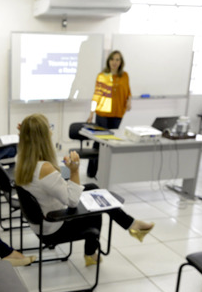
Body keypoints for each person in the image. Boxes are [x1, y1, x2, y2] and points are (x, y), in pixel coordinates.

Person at [14, 113, 154, 266]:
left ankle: (132, 224)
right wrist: (74, 171)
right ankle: (91, 253)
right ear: (43, 137)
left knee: (93, 188)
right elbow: (72, 201)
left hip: (40, 222)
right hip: (53, 226)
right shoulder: (44, 168)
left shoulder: (21, 158)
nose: (51, 132)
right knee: (96, 210)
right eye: (49, 129)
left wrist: (25, 132)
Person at [86, 50, 131, 178]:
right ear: (108, 61)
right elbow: (96, 95)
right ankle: (92, 171)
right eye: (112, 59)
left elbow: (128, 92)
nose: (114, 62)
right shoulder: (102, 76)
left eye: (117, 60)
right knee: (100, 142)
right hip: (102, 113)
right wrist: (91, 113)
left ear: (121, 62)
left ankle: (105, 172)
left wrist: (129, 101)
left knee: (111, 143)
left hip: (118, 114)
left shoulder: (125, 76)